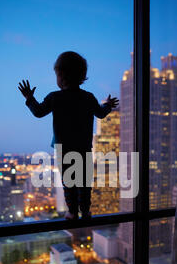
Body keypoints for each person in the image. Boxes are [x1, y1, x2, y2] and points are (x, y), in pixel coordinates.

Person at [18, 51, 118, 220]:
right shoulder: (88, 97)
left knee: (69, 183)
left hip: (64, 150)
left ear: (61, 76)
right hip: (84, 148)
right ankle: (85, 211)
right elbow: (101, 113)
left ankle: (72, 212)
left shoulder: (55, 97)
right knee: (85, 183)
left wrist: (29, 98)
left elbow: (38, 112)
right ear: (82, 76)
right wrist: (108, 105)